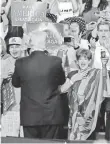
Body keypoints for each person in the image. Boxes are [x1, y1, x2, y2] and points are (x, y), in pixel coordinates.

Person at [12, 31, 66, 139]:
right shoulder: (55, 61)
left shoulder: (20, 62)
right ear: (45, 44)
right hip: (51, 115)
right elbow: (62, 81)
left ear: (30, 44)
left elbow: (15, 83)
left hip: (30, 116)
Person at [60, 49, 110, 140]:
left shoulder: (96, 73)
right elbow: (62, 90)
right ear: (77, 61)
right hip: (74, 115)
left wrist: (103, 65)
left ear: (90, 61)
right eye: (80, 59)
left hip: (89, 117)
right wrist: (73, 80)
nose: (83, 61)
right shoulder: (72, 74)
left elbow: (104, 79)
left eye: (86, 59)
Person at [1, 36, 23, 137]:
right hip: (10, 109)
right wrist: (3, 76)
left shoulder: (27, 62)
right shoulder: (3, 63)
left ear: (22, 47)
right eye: (12, 47)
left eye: (17, 46)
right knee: (10, 138)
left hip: (26, 108)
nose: (14, 50)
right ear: (8, 49)